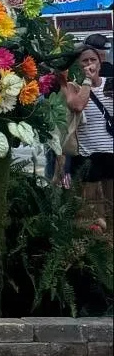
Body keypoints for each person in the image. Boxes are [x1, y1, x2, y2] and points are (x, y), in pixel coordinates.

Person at [63, 37, 113, 232]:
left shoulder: (110, 84)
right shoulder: (74, 87)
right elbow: (77, 105)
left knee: (111, 203)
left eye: (93, 60)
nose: (90, 64)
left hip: (110, 152)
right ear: (79, 65)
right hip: (87, 154)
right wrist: (87, 81)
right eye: (85, 61)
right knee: (91, 208)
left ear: (100, 62)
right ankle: (96, 243)